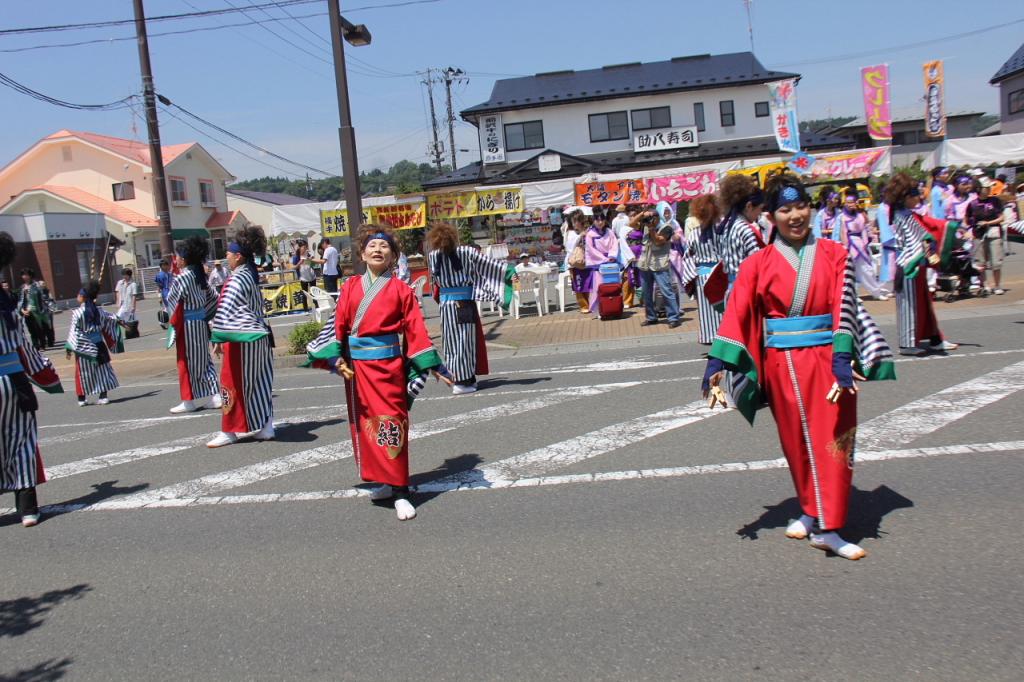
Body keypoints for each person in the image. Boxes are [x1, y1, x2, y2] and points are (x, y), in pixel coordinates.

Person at [702, 173, 896, 561]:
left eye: (801, 206)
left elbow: (844, 306)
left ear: (811, 208)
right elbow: (739, 309)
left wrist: (843, 356)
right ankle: (811, 508)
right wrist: (716, 362)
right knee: (796, 442)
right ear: (771, 216)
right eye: (785, 209)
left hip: (828, 363)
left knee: (834, 441)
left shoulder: (834, 253)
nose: (795, 215)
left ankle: (829, 527)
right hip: (781, 365)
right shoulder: (759, 262)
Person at [306, 225, 451, 521]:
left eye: (384, 247)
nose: (377, 250)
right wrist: (334, 355)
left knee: (392, 423)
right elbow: (339, 326)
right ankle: (385, 481)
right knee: (368, 425)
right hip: (359, 370)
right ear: (362, 254)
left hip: (389, 368)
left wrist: (432, 364)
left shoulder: (401, 290)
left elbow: (415, 330)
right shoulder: (350, 287)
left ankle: (400, 490)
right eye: (371, 246)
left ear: (393, 256)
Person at [0, 232, 63, 527]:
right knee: (22, 441)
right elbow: (26, 349)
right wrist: (47, 374)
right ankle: (28, 509)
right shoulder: (11, 305)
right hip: (14, 379)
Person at [426, 222, 514, 395]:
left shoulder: (433, 256)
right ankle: (463, 381)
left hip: (446, 305)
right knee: (464, 342)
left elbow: (435, 281)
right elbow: (488, 265)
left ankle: (457, 378)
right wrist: (509, 271)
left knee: (451, 342)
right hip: (463, 303)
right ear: (454, 237)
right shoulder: (466, 252)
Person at [207, 226, 275, 447]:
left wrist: (217, 337)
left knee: (231, 382)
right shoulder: (250, 274)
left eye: (228, 253)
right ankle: (266, 426)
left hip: (242, 338)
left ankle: (230, 430)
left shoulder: (237, 279)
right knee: (259, 381)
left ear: (238, 256)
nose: (226, 257)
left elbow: (226, 310)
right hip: (259, 335)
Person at [887, 172, 958, 356]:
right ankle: (907, 344)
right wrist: (926, 250)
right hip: (909, 264)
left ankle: (934, 338)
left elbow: (926, 229)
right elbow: (920, 237)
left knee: (923, 304)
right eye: (915, 195)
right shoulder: (901, 215)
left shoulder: (905, 214)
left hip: (914, 264)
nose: (919, 198)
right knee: (908, 307)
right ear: (905, 197)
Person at [166, 236, 221, 414]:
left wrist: (170, 320)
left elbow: (172, 302)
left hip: (187, 324)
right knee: (203, 359)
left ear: (184, 259)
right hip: (200, 322)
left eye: (178, 257)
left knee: (185, 361)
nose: (176, 260)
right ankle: (213, 395)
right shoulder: (199, 276)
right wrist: (205, 313)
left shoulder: (182, 278)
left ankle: (189, 400)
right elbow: (213, 297)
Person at [66, 279, 123, 406]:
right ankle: (103, 396)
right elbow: (112, 318)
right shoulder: (99, 311)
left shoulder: (77, 313)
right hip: (98, 344)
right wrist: (120, 321)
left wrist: (69, 347)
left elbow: (74, 331)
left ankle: (82, 398)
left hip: (83, 346)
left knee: (82, 372)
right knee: (102, 370)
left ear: (83, 297)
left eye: (79, 295)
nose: (77, 296)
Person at [714, 173, 766, 303]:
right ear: (749, 206)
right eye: (759, 209)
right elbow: (757, 264)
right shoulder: (745, 229)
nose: (760, 213)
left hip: (731, 288)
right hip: (746, 289)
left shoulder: (728, 227)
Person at [633, 203, 681, 328]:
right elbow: (631, 224)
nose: (649, 220)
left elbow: (659, 241)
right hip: (645, 264)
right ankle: (651, 317)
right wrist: (642, 214)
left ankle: (673, 317)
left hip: (660, 264)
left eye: (651, 217)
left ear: (657, 217)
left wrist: (651, 228)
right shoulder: (645, 226)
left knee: (666, 291)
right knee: (646, 293)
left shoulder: (667, 228)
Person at [686, 194, 722, 344]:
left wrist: (690, 278)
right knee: (722, 310)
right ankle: (725, 338)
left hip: (702, 276)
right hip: (720, 276)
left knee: (707, 311)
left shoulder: (694, 234)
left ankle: (710, 338)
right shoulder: (722, 232)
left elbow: (687, 258)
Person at [837, 191, 888, 300]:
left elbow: (864, 229)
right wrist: (846, 247)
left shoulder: (860, 215)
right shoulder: (842, 217)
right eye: (848, 202)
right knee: (851, 272)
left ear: (856, 203)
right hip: (851, 245)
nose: (850, 204)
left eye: (852, 202)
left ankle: (876, 292)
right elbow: (843, 233)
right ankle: (854, 295)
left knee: (868, 270)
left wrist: (866, 242)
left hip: (861, 244)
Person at [967, 178, 1005, 295]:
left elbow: (1002, 217)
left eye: (989, 187)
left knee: (996, 261)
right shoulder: (972, 204)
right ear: (979, 189)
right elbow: (967, 219)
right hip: (979, 234)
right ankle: (986, 284)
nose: (988, 190)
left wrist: (988, 223)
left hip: (994, 232)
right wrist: (974, 224)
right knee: (981, 262)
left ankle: (997, 285)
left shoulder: (995, 200)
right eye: (986, 188)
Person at [584, 207, 619, 316]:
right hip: (598, 264)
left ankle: (613, 307)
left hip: (611, 263)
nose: (600, 222)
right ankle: (600, 309)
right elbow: (590, 250)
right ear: (593, 221)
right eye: (597, 220)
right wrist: (604, 259)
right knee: (599, 287)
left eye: (602, 220)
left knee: (612, 286)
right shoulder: (590, 234)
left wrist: (612, 255)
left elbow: (614, 244)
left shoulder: (609, 231)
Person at [565, 211, 591, 313]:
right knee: (578, 284)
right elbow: (569, 248)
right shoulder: (570, 233)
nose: (575, 223)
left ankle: (590, 304)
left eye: (576, 221)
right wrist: (580, 236)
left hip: (586, 261)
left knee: (588, 283)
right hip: (574, 263)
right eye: (573, 221)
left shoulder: (588, 231)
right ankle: (583, 306)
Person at [18, 268, 52, 350]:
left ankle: (42, 344)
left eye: (26, 274)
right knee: (31, 330)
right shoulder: (22, 287)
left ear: (30, 275)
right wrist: (22, 310)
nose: (24, 276)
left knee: (39, 328)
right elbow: (20, 300)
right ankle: (36, 346)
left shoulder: (36, 285)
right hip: (26, 311)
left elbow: (41, 298)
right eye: (23, 275)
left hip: (37, 311)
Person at [288, 239, 317, 311]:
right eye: (304, 247)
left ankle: (317, 306)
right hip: (303, 278)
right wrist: (300, 262)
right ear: (300, 248)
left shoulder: (309, 254)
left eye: (306, 247)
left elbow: (313, 264)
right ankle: (305, 309)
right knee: (304, 294)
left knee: (314, 292)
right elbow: (294, 267)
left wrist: (311, 259)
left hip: (312, 276)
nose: (306, 248)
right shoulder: (296, 257)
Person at [154, 259, 174, 329]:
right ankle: (166, 323)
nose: (166, 267)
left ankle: (168, 323)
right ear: (161, 266)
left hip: (172, 291)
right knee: (168, 308)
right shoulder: (159, 275)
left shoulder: (170, 274)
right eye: (164, 265)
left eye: (166, 265)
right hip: (165, 292)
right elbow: (159, 286)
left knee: (172, 308)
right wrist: (159, 296)